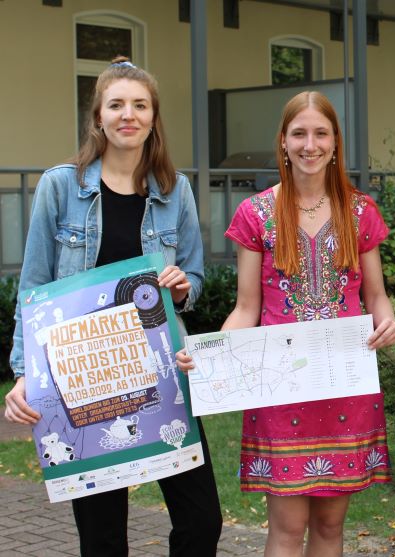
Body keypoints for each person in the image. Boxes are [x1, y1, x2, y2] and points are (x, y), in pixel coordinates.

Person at [3, 57, 222, 556]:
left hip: (164, 372)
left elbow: (197, 276)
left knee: (202, 520)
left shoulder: (175, 190)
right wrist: (24, 373)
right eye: (117, 104)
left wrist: (184, 285)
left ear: (153, 116)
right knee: (102, 537)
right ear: (98, 117)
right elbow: (34, 286)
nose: (129, 115)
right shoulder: (61, 186)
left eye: (140, 105)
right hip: (87, 377)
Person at [178, 90, 395, 557]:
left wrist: (386, 323)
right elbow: (246, 308)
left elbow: (375, 295)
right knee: (287, 525)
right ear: (283, 141)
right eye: (299, 133)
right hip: (280, 386)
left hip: (345, 383)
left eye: (321, 133)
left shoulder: (360, 212)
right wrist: (210, 354)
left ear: (336, 142)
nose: (310, 144)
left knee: (330, 527)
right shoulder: (255, 213)